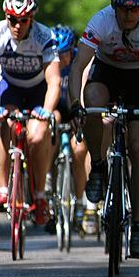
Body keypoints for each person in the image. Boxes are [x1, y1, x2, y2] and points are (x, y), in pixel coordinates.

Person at [68, 0, 139, 258]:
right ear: (114, 7)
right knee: (93, 101)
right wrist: (75, 104)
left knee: (138, 146)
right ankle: (97, 165)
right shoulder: (101, 21)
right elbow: (78, 66)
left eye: (135, 9)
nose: (129, 15)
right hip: (107, 72)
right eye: (123, 9)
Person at [0, 0, 60, 227]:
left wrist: (47, 111)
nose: (17, 25)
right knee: (5, 123)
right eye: (12, 19)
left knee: (37, 136)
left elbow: (54, 81)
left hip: (37, 89)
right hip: (11, 87)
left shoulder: (45, 36)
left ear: (32, 18)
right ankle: (3, 188)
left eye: (23, 20)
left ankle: (39, 195)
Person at [48, 24, 90, 230]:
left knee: (80, 149)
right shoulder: (48, 60)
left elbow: (84, 88)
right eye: (57, 54)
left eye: (64, 53)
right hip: (57, 110)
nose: (60, 58)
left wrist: (80, 112)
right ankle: (48, 181)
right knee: (51, 124)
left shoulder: (78, 60)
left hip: (75, 108)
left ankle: (81, 201)